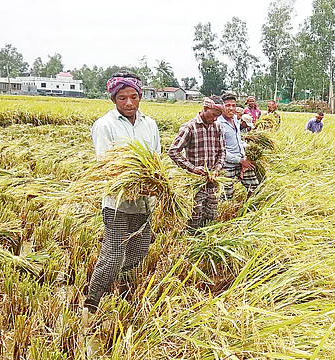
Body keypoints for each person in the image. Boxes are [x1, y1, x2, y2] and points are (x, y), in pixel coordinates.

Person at [85, 73, 161, 313]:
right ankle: (92, 303)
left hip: (144, 203)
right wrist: (132, 184)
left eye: (133, 97)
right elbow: (105, 164)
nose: (129, 103)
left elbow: (155, 159)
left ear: (140, 97)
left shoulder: (149, 124)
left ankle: (123, 296)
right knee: (113, 255)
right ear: (113, 99)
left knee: (139, 252)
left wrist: (154, 184)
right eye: (122, 98)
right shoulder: (105, 125)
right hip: (117, 203)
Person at [168, 97, 226, 230]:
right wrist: (193, 169)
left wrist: (217, 169)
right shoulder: (189, 127)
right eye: (214, 115)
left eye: (218, 116)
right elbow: (173, 151)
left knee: (210, 217)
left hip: (212, 183)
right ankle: (190, 244)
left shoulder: (217, 127)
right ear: (205, 109)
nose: (216, 119)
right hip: (194, 184)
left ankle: (206, 246)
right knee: (193, 218)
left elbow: (222, 151)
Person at [218, 93, 259, 199]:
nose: (231, 108)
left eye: (233, 105)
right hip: (227, 165)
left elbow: (238, 141)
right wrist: (240, 160)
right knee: (226, 196)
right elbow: (219, 151)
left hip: (242, 161)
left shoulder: (236, 120)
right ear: (222, 106)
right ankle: (228, 214)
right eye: (228, 105)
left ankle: (248, 210)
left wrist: (246, 151)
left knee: (254, 187)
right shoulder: (218, 124)